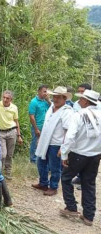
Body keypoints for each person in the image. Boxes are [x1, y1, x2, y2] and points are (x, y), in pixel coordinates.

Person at [59, 89, 101, 226]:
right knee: (89, 183)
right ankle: (89, 216)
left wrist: (64, 154)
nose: (79, 101)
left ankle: (71, 207)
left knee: (66, 178)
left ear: (86, 101)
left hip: (78, 153)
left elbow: (70, 136)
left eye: (81, 99)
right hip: (94, 155)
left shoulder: (79, 115)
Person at [32, 86, 73, 196]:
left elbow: (68, 130)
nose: (56, 99)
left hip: (56, 143)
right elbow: (46, 125)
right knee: (41, 163)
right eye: (54, 96)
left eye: (58, 97)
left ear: (64, 98)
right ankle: (43, 183)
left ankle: (53, 187)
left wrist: (63, 147)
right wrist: (40, 139)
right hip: (45, 141)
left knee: (55, 167)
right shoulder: (51, 108)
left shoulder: (67, 111)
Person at [0, 90, 23, 179]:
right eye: (3, 97)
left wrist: (19, 135)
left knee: (10, 154)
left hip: (12, 132)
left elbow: (16, 121)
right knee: (2, 154)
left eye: (7, 98)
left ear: (11, 99)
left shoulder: (14, 108)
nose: (5, 99)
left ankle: (8, 172)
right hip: (0, 132)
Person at [28, 85, 51, 163]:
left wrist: (48, 100)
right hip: (37, 126)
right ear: (39, 91)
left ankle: (42, 157)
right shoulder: (34, 102)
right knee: (35, 143)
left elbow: (54, 108)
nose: (46, 93)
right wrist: (36, 129)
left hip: (46, 127)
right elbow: (31, 116)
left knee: (44, 143)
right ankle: (33, 159)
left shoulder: (46, 101)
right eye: (44, 91)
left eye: (46, 92)